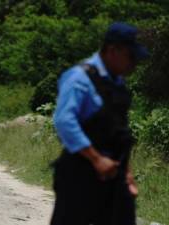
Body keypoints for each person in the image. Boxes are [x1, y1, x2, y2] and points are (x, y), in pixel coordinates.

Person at [51, 22, 149, 225]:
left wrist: (127, 172)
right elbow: (64, 121)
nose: (134, 64)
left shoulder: (117, 83)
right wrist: (96, 159)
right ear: (113, 50)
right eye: (131, 57)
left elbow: (119, 132)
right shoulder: (79, 78)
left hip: (114, 174)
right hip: (80, 173)